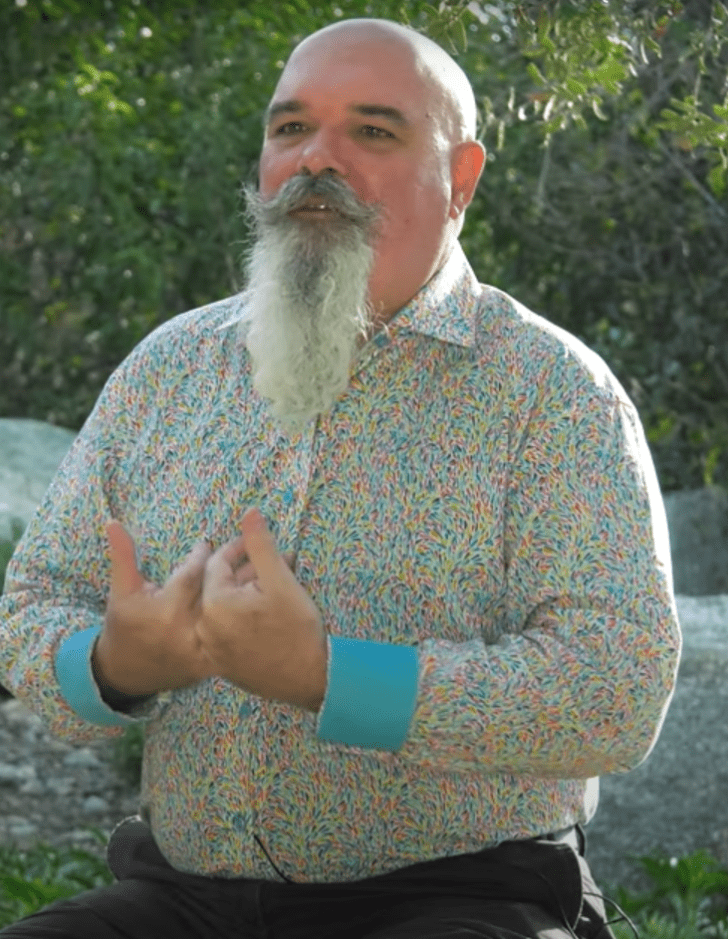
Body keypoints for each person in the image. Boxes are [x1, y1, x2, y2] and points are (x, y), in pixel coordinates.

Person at [0, 16, 681, 939]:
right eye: (291, 128)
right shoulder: (168, 369)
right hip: (183, 899)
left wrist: (328, 676)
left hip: (461, 900)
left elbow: (616, 689)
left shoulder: (554, 394)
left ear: (463, 180)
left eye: (373, 130)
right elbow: (31, 607)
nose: (318, 158)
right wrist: (119, 665)